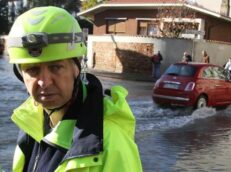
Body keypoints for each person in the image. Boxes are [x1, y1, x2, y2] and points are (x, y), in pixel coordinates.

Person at [7, 7, 142, 172]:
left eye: (56, 67)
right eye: (32, 70)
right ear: (20, 74)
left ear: (77, 67)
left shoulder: (110, 144)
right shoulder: (31, 126)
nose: (44, 82)